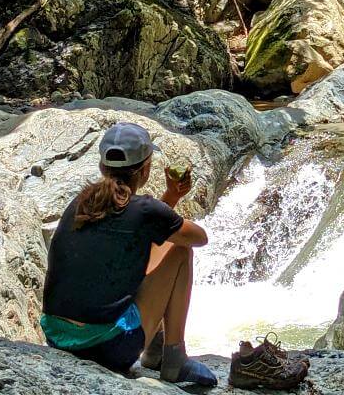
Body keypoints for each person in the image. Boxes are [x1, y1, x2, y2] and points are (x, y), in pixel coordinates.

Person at [40, 122, 216, 387]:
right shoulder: (146, 210)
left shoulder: (79, 203)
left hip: (57, 337)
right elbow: (199, 238)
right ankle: (175, 358)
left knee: (146, 251)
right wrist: (167, 206)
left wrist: (170, 197)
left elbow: (139, 231)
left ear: (102, 167)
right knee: (180, 251)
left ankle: (155, 348)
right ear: (145, 170)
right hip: (108, 348)